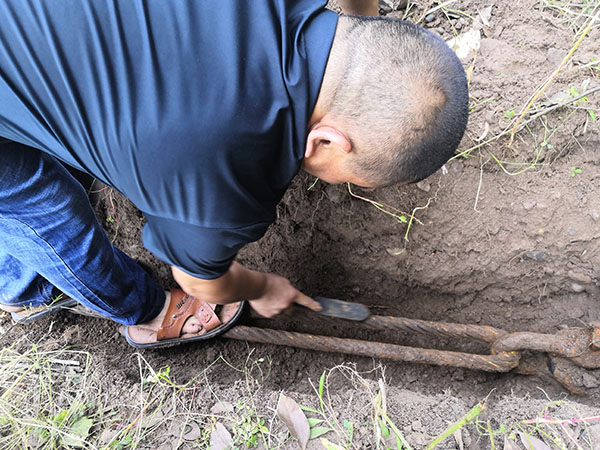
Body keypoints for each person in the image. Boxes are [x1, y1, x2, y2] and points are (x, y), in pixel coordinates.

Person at [0, 0, 468, 347]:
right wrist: (262, 287)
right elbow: (200, 280)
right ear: (327, 142)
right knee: (40, 199)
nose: (338, 184)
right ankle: (47, 293)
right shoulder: (221, 177)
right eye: (348, 178)